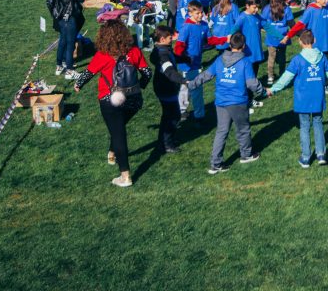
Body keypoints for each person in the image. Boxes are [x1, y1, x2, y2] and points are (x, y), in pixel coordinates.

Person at [74, 21, 151, 187]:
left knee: (118, 133)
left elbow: (88, 73)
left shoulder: (103, 55)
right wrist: (141, 86)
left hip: (110, 100)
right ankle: (111, 152)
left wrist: (78, 84)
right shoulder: (135, 51)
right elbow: (147, 72)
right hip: (133, 99)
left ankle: (125, 176)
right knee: (117, 128)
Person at [269, 30, 328, 167]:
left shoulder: (297, 60)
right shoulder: (322, 57)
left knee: (304, 126)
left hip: (303, 98)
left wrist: (273, 89)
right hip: (318, 97)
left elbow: (286, 77)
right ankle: (321, 155)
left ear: (300, 42)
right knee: (318, 123)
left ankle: (306, 157)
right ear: (314, 41)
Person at [199, 32, 267, 174]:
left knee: (221, 131)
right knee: (243, 129)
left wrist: (191, 84)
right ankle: (246, 155)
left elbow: (206, 75)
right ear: (243, 46)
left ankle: (215, 164)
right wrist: (264, 92)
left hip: (221, 102)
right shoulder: (245, 62)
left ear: (230, 44)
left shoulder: (219, 59)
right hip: (238, 102)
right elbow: (252, 83)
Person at [149, 25, 194, 153]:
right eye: (170, 37)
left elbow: (173, 58)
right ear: (162, 39)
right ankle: (166, 144)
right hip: (165, 88)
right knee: (173, 116)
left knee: (169, 115)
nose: (173, 39)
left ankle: (164, 142)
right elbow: (169, 72)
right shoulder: (162, 54)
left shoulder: (163, 49)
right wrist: (184, 80)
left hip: (164, 87)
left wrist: (185, 58)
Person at [47, 0, 87, 79]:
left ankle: (59, 66)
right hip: (69, 21)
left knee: (63, 42)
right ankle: (70, 71)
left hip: (62, 21)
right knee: (70, 45)